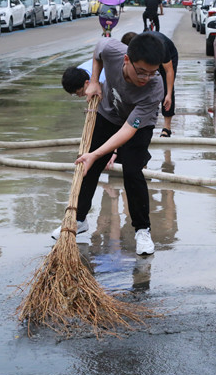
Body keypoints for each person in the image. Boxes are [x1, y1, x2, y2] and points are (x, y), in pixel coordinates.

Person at [52, 33, 165, 256]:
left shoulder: (155, 87)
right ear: (126, 60)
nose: (146, 78)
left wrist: (98, 153)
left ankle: (142, 230)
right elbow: (98, 49)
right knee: (88, 166)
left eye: (152, 72)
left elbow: (127, 130)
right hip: (108, 112)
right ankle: (79, 219)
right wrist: (94, 81)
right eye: (141, 71)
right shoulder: (113, 50)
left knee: (133, 171)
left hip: (137, 125)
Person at [122, 31, 178, 137]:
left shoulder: (162, 47)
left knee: (166, 89)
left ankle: (167, 127)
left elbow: (169, 71)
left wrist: (169, 94)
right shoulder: (135, 49)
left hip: (166, 59)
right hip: (147, 60)